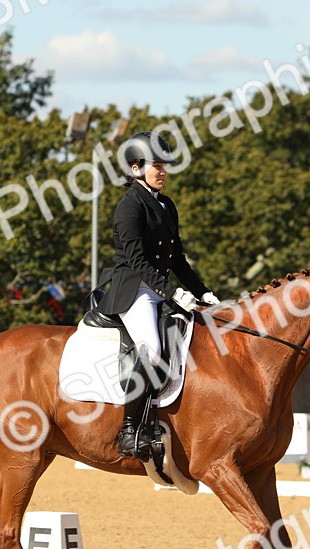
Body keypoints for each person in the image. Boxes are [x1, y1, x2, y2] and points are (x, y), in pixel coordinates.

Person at [94, 130, 219, 460]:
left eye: (165, 166)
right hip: (134, 290)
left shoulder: (167, 205)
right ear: (135, 168)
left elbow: (177, 258)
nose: (163, 171)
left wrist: (203, 292)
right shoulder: (129, 207)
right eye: (156, 165)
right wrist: (173, 292)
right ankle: (130, 430)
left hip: (160, 291)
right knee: (150, 351)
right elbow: (136, 261)